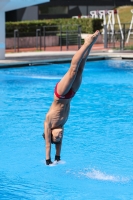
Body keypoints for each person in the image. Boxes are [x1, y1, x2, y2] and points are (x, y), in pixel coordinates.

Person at [43, 30, 100, 165]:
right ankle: (91, 44)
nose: (60, 135)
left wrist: (48, 160)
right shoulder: (61, 125)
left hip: (60, 94)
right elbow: (58, 144)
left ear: (50, 134)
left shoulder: (48, 123)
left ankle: (86, 42)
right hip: (71, 95)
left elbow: (48, 145)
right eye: (60, 137)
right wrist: (58, 157)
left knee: (73, 70)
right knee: (81, 68)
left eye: (57, 136)